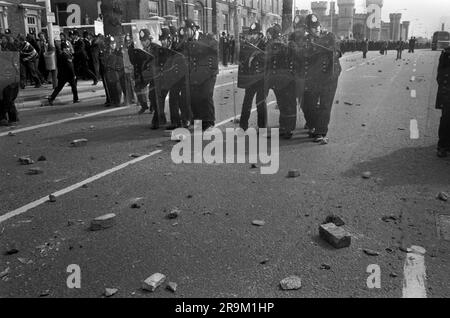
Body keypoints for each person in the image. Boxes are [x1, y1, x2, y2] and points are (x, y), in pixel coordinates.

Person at [302, 14, 342, 144]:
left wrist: (334, 51)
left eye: (317, 26)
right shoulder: (306, 41)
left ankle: (321, 132)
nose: (317, 29)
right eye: (313, 28)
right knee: (309, 105)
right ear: (308, 29)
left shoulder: (329, 37)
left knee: (325, 105)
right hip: (313, 78)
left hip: (329, 76)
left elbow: (338, 50)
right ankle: (313, 125)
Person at [238, 22, 267, 132]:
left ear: (260, 35)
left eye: (254, 34)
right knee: (246, 102)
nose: (251, 36)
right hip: (250, 78)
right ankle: (243, 125)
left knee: (260, 103)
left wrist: (257, 55)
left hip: (261, 79)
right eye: (251, 34)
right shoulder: (247, 45)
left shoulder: (265, 44)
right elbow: (242, 61)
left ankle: (262, 127)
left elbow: (268, 58)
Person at [47, 41, 79, 105]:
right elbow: (70, 67)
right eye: (67, 48)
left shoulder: (62, 55)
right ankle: (75, 99)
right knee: (73, 87)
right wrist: (73, 75)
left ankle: (51, 98)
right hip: (68, 75)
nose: (68, 49)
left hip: (62, 75)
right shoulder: (66, 56)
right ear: (64, 49)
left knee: (59, 88)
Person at [436, 46, 450, 158]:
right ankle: (442, 146)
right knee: (446, 118)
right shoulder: (446, 53)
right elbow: (441, 74)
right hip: (448, 90)